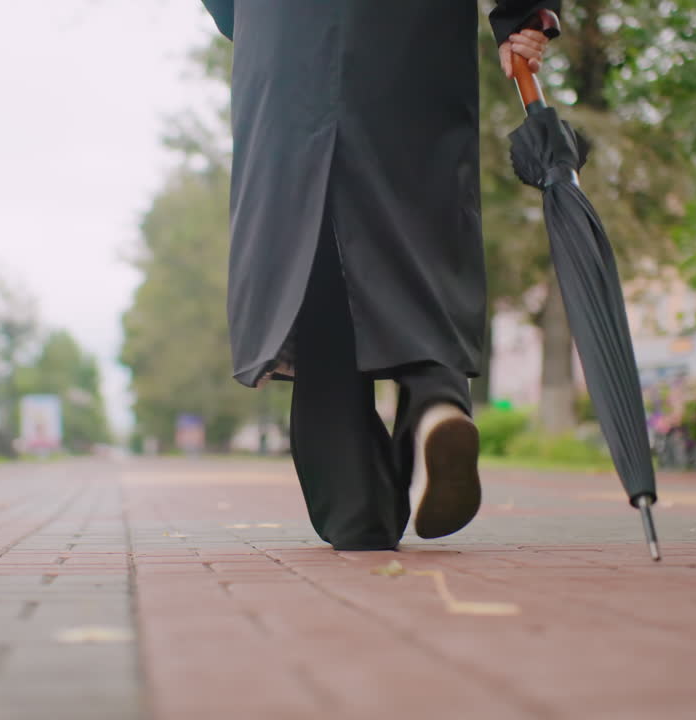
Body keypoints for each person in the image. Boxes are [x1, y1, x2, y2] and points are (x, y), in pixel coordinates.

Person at [200, 1, 557, 550]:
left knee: (310, 244)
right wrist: (527, 16)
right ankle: (436, 401)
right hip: (413, 36)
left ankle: (356, 510)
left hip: (285, 38)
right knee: (420, 221)